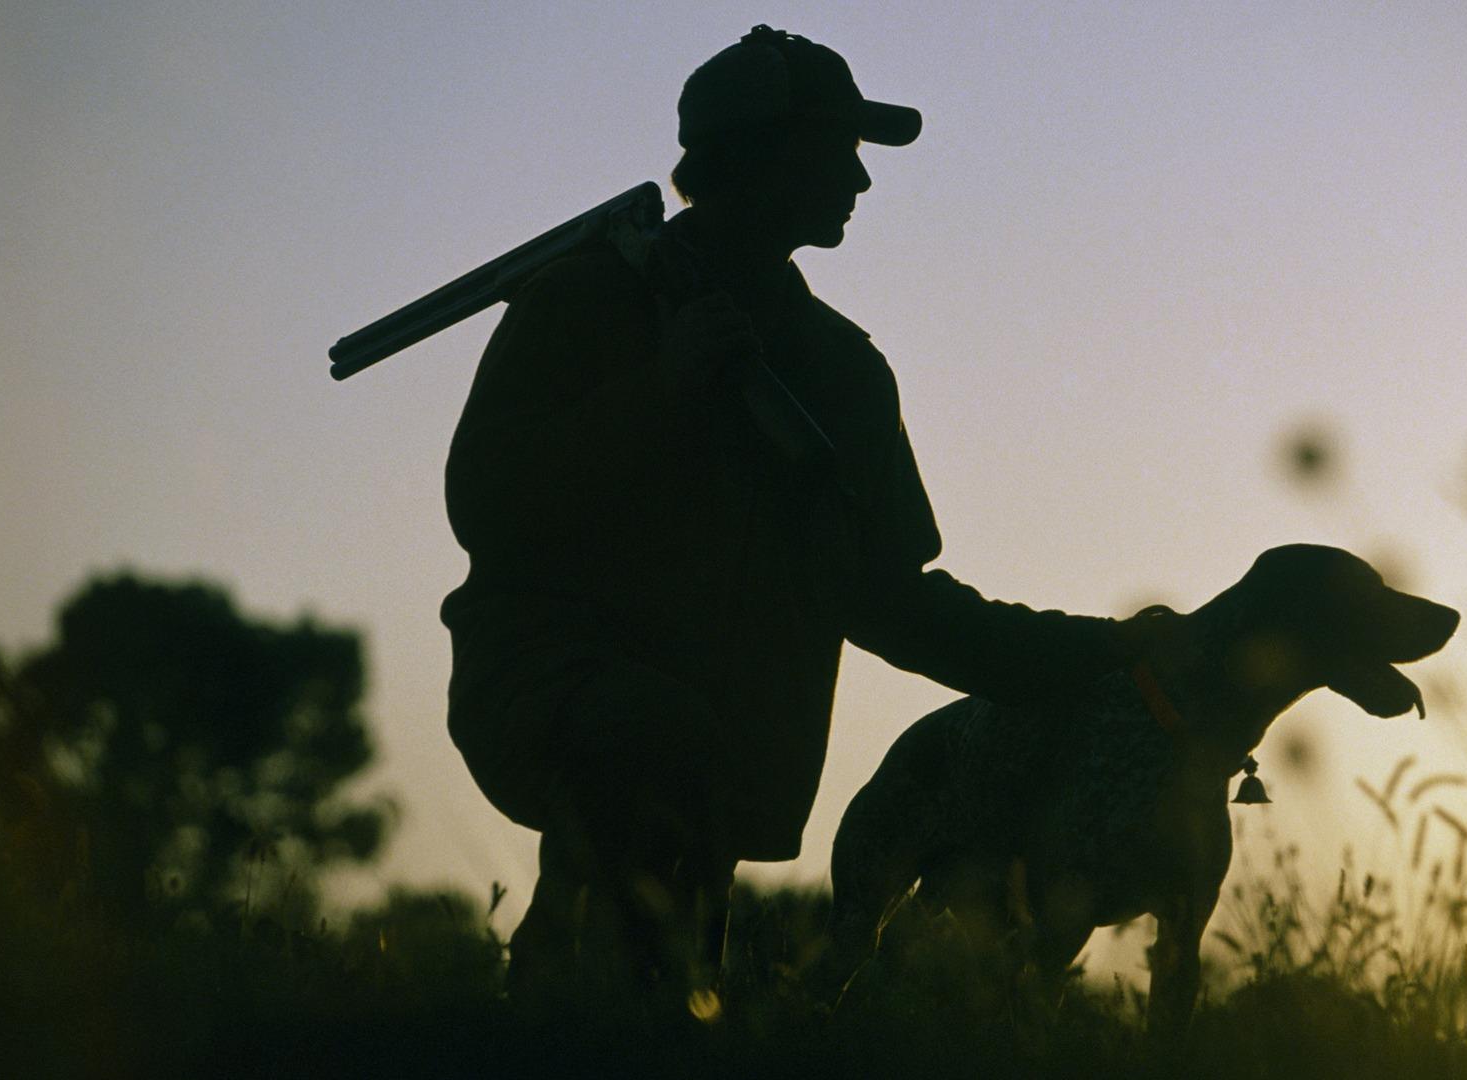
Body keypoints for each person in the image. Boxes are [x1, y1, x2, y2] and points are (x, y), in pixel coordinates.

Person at [440, 25, 1186, 1000]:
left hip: (723, 741)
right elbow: (487, 506)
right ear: (756, 156)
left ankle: (590, 1000)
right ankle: (570, 982)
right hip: (549, 688)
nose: (862, 181)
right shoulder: (587, 299)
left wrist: (1098, 653)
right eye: (838, 150)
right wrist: (662, 391)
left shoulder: (841, 371)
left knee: (664, 992)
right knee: (645, 754)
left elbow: (892, 602)